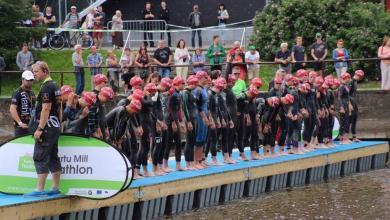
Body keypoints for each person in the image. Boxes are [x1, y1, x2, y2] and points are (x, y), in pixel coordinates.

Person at [25, 61, 62, 197]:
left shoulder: (47, 87)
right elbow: (59, 108)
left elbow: (46, 108)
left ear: (45, 71)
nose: (34, 75)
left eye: (36, 72)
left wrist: (40, 128)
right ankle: (55, 187)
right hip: (55, 126)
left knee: (40, 156)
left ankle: (39, 190)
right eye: (33, 72)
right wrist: (59, 124)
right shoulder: (56, 85)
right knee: (53, 156)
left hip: (46, 128)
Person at [10, 71, 36, 136]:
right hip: (21, 127)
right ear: (22, 80)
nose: (30, 82)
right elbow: (12, 109)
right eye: (27, 80)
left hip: (31, 125)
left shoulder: (32, 93)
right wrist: (20, 123)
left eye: (31, 80)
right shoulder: (17, 92)